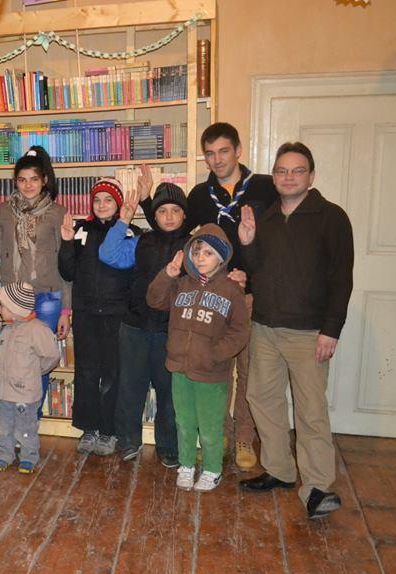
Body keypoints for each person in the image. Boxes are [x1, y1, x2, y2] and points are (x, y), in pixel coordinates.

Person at [238, 142, 354, 520]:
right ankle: (280, 470)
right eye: (282, 171)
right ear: (274, 176)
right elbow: (255, 269)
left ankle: (318, 488)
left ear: (311, 176)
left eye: (297, 170)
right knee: (262, 399)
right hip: (265, 327)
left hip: (309, 332)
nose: (289, 177)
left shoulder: (331, 217)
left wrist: (331, 330)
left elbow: (342, 278)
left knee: (310, 411)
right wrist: (247, 242)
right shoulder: (267, 217)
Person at [186, 123, 278, 471]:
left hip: (253, 296)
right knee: (217, 369)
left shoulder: (266, 188)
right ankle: (217, 434)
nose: (217, 159)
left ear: (238, 150)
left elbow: (278, 243)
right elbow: (181, 236)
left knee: (251, 372)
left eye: (223, 151)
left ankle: (244, 436)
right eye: (210, 153)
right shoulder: (199, 195)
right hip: (215, 298)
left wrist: (249, 275)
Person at [147, 225, 250, 491]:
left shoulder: (231, 290)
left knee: (210, 426)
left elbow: (240, 331)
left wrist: (214, 354)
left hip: (211, 373)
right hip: (180, 368)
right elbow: (154, 299)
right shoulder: (181, 285)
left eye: (208, 253)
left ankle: (213, 469)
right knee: (184, 422)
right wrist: (168, 274)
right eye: (196, 252)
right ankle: (186, 465)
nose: (200, 258)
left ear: (221, 257)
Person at [98, 175, 189, 468]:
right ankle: (128, 440)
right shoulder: (142, 241)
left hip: (172, 332)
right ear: (154, 215)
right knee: (130, 389)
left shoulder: (193, 246)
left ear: (184, 215)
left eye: (175, 210)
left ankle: (169, 446)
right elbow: (109, 254)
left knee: (170, 394)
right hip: (134, 327)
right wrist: (123, 220)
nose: (169, 216)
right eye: (162, 210)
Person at [0, 145, 70, 415]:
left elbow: (66, 266)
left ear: (44, 180)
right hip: (15, 299)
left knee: (38, 361)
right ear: (15, 182)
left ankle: (32, 418)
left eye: (34, 179)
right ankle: (15, 416)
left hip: (48, 296)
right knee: (16, 359)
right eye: (22, 180)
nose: (28, 185)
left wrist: (66, 310)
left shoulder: (57, 213)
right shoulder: (4, 212)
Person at [58, 177, 140, 456]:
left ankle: (109, 431)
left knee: (113, 373)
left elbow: (135, 277)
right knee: (86, 372)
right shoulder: (80, 230)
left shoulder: (131, 232)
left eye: (108, 199)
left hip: (117, 315)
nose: (102, 204)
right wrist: (66, 243)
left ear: (118, 203)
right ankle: (89, 428)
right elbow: (67, 272)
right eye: (97, 199)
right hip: (86, 313)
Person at [0, 282, 60, 474]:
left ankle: (29, 456)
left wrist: (37, 372)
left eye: (3, 306)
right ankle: (4, 454)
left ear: (15, 309)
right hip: (4, 392)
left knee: (26, 428)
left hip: (26, 394)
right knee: (3, 427)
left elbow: (51, 356)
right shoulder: (6, 329)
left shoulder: (37, 330)